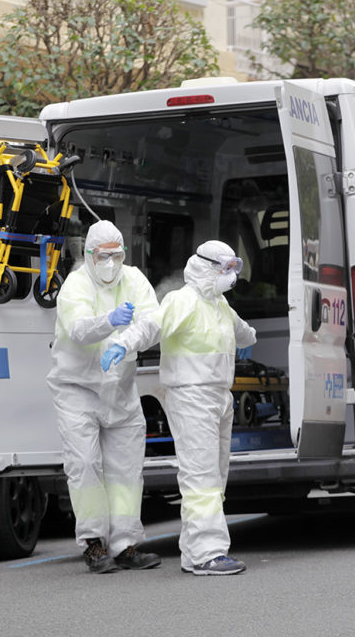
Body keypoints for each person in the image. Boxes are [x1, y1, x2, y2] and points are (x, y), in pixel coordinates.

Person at [100, 240, 257, 576]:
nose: (231, 276)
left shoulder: (220, 306)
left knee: (214, 477)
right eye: (226, 269)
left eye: (234, 269)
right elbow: (148, 328)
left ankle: (194, 550)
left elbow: (244, 332)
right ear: (207, 267)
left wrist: (245, 340)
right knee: (200, 476)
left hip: (219, 397)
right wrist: (120, 343)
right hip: (191, 396)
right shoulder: (182, 301)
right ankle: (207, 553)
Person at [46, 220, 162, 574]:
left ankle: (126, 544)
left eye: (117, 255)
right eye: (103, 256)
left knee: (127, 470)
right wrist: (110, 320)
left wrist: (127, 340)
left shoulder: (134, 279)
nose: (111, 263)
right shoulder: (75, 285)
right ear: (89, 255)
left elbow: (153, 322)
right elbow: (79, 328)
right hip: (77, 389)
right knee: (84, 466)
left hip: (122, 390)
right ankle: (94, 544)